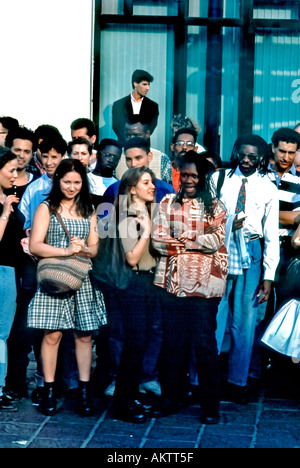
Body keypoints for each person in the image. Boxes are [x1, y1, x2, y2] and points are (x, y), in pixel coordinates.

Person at [151, 151, 228, 424]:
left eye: (194, 175)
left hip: (206, 288)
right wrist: (193, 240)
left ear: (203, 177)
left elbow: (215, 240)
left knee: (204, 344)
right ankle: (173, 398)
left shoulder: (216, 206)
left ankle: (210, 406)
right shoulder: (167, 201)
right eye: (185, 175)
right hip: (171, 285)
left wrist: (180, 239)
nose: (189, 180)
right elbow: (157, 239)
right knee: (173, 344)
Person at [27, 159, 107, 416]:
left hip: (82, 277)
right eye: (66, 181)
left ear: (83, 182)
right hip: (55, 278)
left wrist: (85, 249)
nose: (71, 187)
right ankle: (49, 389)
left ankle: (83, 391)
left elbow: (96, 247)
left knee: (84, 336)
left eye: (77, 182)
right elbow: (36, 245)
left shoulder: (90, 208)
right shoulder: (46, 207)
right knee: (52, 335)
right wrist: (66, 250)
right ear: (57, 181)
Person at [99, 137, 175, 398]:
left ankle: (141, 381)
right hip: (129, 279)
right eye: (128, 160)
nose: (151, 186)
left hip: (153, 277)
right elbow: (113, 240)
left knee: (149, 331)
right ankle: (123, 387)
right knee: (127, 334)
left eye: (137, 159)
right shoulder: (121, 201)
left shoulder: (162, 194)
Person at [212, 134, 280, 404]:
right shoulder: (219, 179)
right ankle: (203, 378)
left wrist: (269, 276)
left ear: (262, 158)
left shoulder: (268, 187)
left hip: (251, 249)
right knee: (215, 315)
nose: (247, 160)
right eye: (243, 154)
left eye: (253, 156)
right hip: (221, 246)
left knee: (245, 320)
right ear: (236, 152)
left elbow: (271, 234)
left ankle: (237, 382)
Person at [111, 166, 160, 423]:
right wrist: (148, 231)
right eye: (145, 183)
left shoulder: (147, 212)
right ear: (132, 189)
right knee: (135, 344)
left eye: (151, 182)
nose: (152, 186)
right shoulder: (128, 217)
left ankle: (129, 397)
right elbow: (131, 258)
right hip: (133, 284)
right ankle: (123, 404)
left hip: (148, 283)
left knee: (139, 344)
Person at [0, 147, 25, 411]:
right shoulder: (5, 202)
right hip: (1, 271)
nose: (15, 175)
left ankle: (0, 386)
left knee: (2, 335)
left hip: (10, 271)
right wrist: (6, 211)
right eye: (10, 170)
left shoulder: (10, 196)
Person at [266, 127, 300, 309]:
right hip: (261, 248)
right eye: (282, 151)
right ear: (273, 148)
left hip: (288, 253)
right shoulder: (260, 178)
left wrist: (266, 215)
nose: (286, 157)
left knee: (283, 307)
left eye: (291, 153)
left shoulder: (299, 182)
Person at [115, 117, 172, 184]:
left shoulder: (161, 158)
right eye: (128, 135)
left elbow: (167, 190)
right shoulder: (116, 156)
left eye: (136, 135)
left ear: (147, 134)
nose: (131, 139)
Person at [112, 70, 159, 145]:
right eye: (144, 84)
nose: (148, 88)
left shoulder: (153, 106)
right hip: (124, 146)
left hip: (143, 146)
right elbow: (116, 126)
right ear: (135, 84)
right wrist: (128, 140)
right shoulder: (119, 104)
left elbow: (151, 127)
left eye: (148, 85)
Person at [5, 126, 40, 198]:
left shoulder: (38, 183)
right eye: (17, 150)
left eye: (27, 152)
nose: (21, 155)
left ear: (32, 154)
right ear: (8, 149)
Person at [88, 138, 122, 209]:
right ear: (97, 154)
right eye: (108, 155)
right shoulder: (85, 179)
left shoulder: (118, 186)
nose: (111, 160)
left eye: (116, 157)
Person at [170, 127, 200, 191]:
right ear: (172, 147)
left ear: (195, 149)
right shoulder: (164, 168)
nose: (184, 147)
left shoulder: (200, 172)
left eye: (189, 144)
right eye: (180, 143)